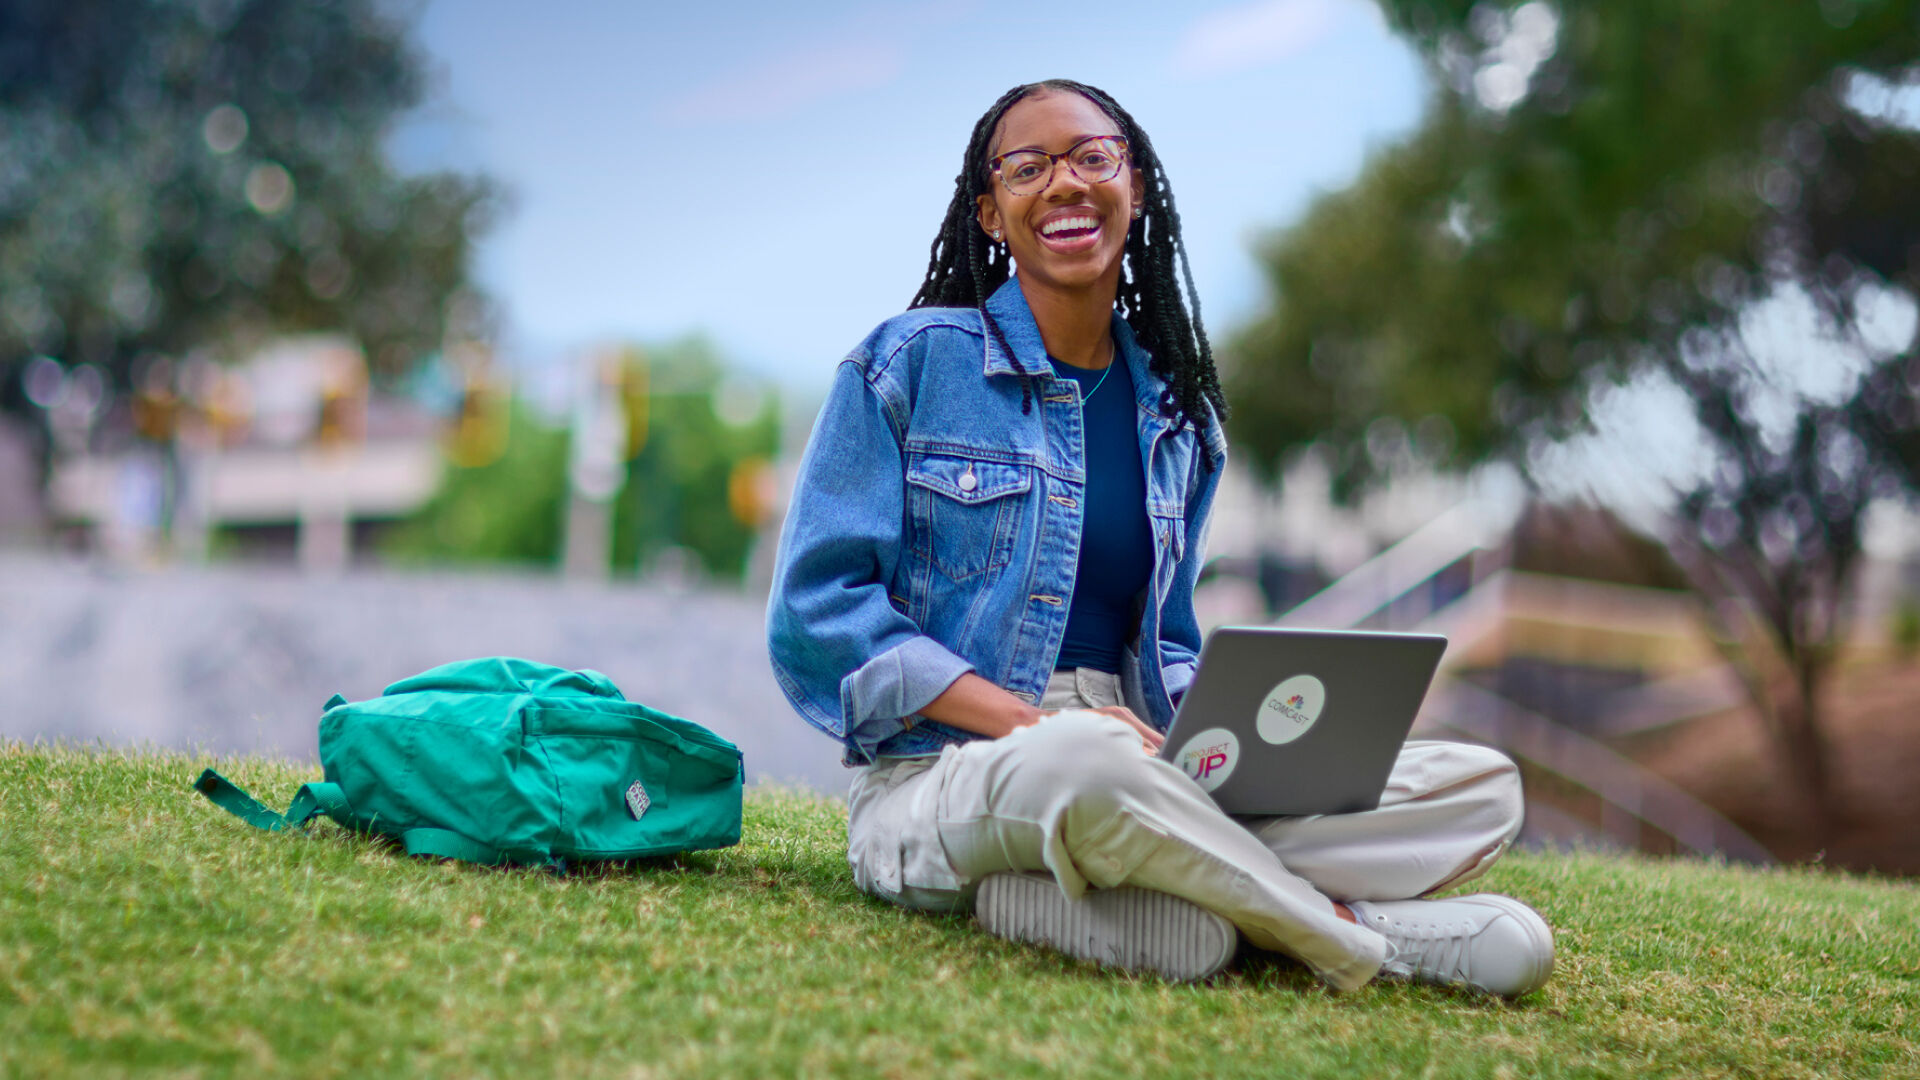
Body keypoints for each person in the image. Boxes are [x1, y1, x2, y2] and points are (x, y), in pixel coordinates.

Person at [766, 79, 1554, 996]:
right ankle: (1345, 934)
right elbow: (820, 617)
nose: (1064, 183)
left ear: (1134, 184)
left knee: (1481, 784)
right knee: (1080, 763)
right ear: (990, 212)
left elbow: (1165, 642)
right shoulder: (906, 365)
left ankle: (1126, 892)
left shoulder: (1179, 420)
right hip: (947, 773)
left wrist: (1222, 747)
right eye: (1027, 169)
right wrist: (1031, 723)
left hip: (1141, 763)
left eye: (1092, 158)